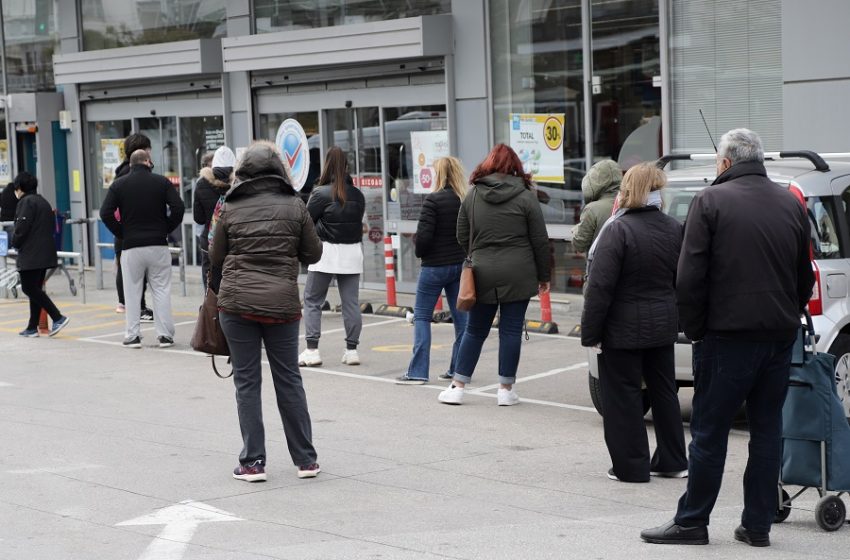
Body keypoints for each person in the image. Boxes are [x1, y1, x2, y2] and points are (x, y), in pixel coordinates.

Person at [641, 129, 815, 547]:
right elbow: (803, 276)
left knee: (709, 432)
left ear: (724, 163)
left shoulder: (710, 201)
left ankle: (692, 522)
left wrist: (696, 329)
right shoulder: (790, 202)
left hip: (727, 337)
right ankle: (758, 526)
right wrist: (787, 313)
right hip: (778, 336)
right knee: (767, 430)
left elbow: (689, 277)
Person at [209, 141, 323, 482]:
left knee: (247, 382)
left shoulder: (230, 206)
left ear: (242, 172)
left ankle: (253, 463)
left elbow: (216, 256)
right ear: (279, 170)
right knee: (289, 378)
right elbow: (314, 253)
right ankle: (306, 460)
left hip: (237, 303)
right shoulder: (295, 205)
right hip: (282, 304)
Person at [580, 162, 687, 483]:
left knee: (623, 397)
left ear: (629, 190)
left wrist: (591, 332)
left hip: (622, 330)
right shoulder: (673, 228)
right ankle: (673, 460)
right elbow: (682, 279)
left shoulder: (617, 230)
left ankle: (631, 466)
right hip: (663, 325)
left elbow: (600, 287)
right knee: (665, 393)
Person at [438, 144, 550, 406]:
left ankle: (457, 386)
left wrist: (478, 252)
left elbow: (461, 235)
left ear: (487, 165)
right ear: (515, 167)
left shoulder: (472, 195)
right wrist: (543, 276)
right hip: (519, 271)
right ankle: (505, 390)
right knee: (510, 331)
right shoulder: (526, 196)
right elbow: (540, 240)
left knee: (475, 330)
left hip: (482, 270)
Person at [100, 149, 185, 349]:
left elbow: (105, 212)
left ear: (131, 164)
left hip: (131, 246)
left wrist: (122, 232)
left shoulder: (119, 185)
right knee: (161, 290)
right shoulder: (162, 182)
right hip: (158, 245)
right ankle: (165, 336)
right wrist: (166, 228)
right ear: (147, 161)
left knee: (132, 291)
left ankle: (133, 335)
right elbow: (178, 207)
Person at [396, 156, 470, 385]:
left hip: (434, 267)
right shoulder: (464, 200)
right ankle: (458, 369)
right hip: (458, 266)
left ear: (438, 174)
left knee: (421, 317)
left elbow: (425, 238)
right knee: (462, 321)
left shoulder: (433, 201)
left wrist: (419, 250)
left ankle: (418, 371)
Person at [299, 146, 366, 367]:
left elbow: (305, 221)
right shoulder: (357, 194)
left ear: (326, 165)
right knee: (351, 304)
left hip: (325, 253)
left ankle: (312, 349)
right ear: (347, 166)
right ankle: (352, 350)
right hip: (352, 253)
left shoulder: (319, 193)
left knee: (312, 300)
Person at [10, 172, 69, 337]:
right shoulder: (42, 201)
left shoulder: (25, 202)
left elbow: (21, 228)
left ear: (20, 188)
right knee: (35, 288)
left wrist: (15, 242)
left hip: (31, 254)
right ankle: (32, 327)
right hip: (45, 252)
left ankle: (58, 317)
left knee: (29, 288)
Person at [113, 133, 153, 321]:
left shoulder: (121, 171)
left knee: (128, 268)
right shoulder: (130, 174)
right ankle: (134, 306)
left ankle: (130, 304)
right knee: (134, 271)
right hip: (131, 229)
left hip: (125, 229)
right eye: (148, 148)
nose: (150, 152)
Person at [193, 146, 235, 290]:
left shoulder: (201, 184)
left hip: (209, 241)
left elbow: (198, 218)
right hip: (233, 240)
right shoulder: (238, 183)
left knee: (210, 280)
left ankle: (211, 310)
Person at [571, 159, 622, 254]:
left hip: (600, 265)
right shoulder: (631, 203)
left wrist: (576, 230)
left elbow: (579, 245)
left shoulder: (592, 209)